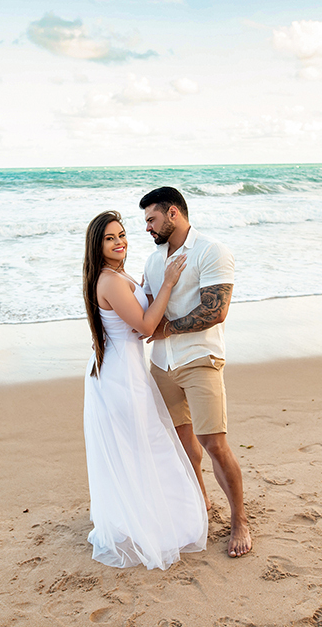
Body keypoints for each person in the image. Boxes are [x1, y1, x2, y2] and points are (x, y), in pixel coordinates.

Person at [82, 210, 208, 570]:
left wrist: (149, 288)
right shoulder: (109, 281)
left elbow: (136, 324)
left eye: (122, 234)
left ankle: (151, 515)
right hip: (122, 376)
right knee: (145, 444)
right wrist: (168, 282)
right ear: (98, 245)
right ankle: (155, 524)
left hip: (125, 369)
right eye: (110, 238)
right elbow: (147, 326)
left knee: (141, 445)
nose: (120, 241)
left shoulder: (116, 276)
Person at [139, 187, 252, 558]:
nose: (148, 229)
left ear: (173, 213)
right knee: (184, 446)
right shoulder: (154, 260)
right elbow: (145, 309)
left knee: (214, 445)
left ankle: (240, 520)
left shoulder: (211, 251)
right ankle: (200, 503)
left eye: (152, 220)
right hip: (161, 365)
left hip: (201, 359)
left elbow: (215, 311)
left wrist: (168, 328)